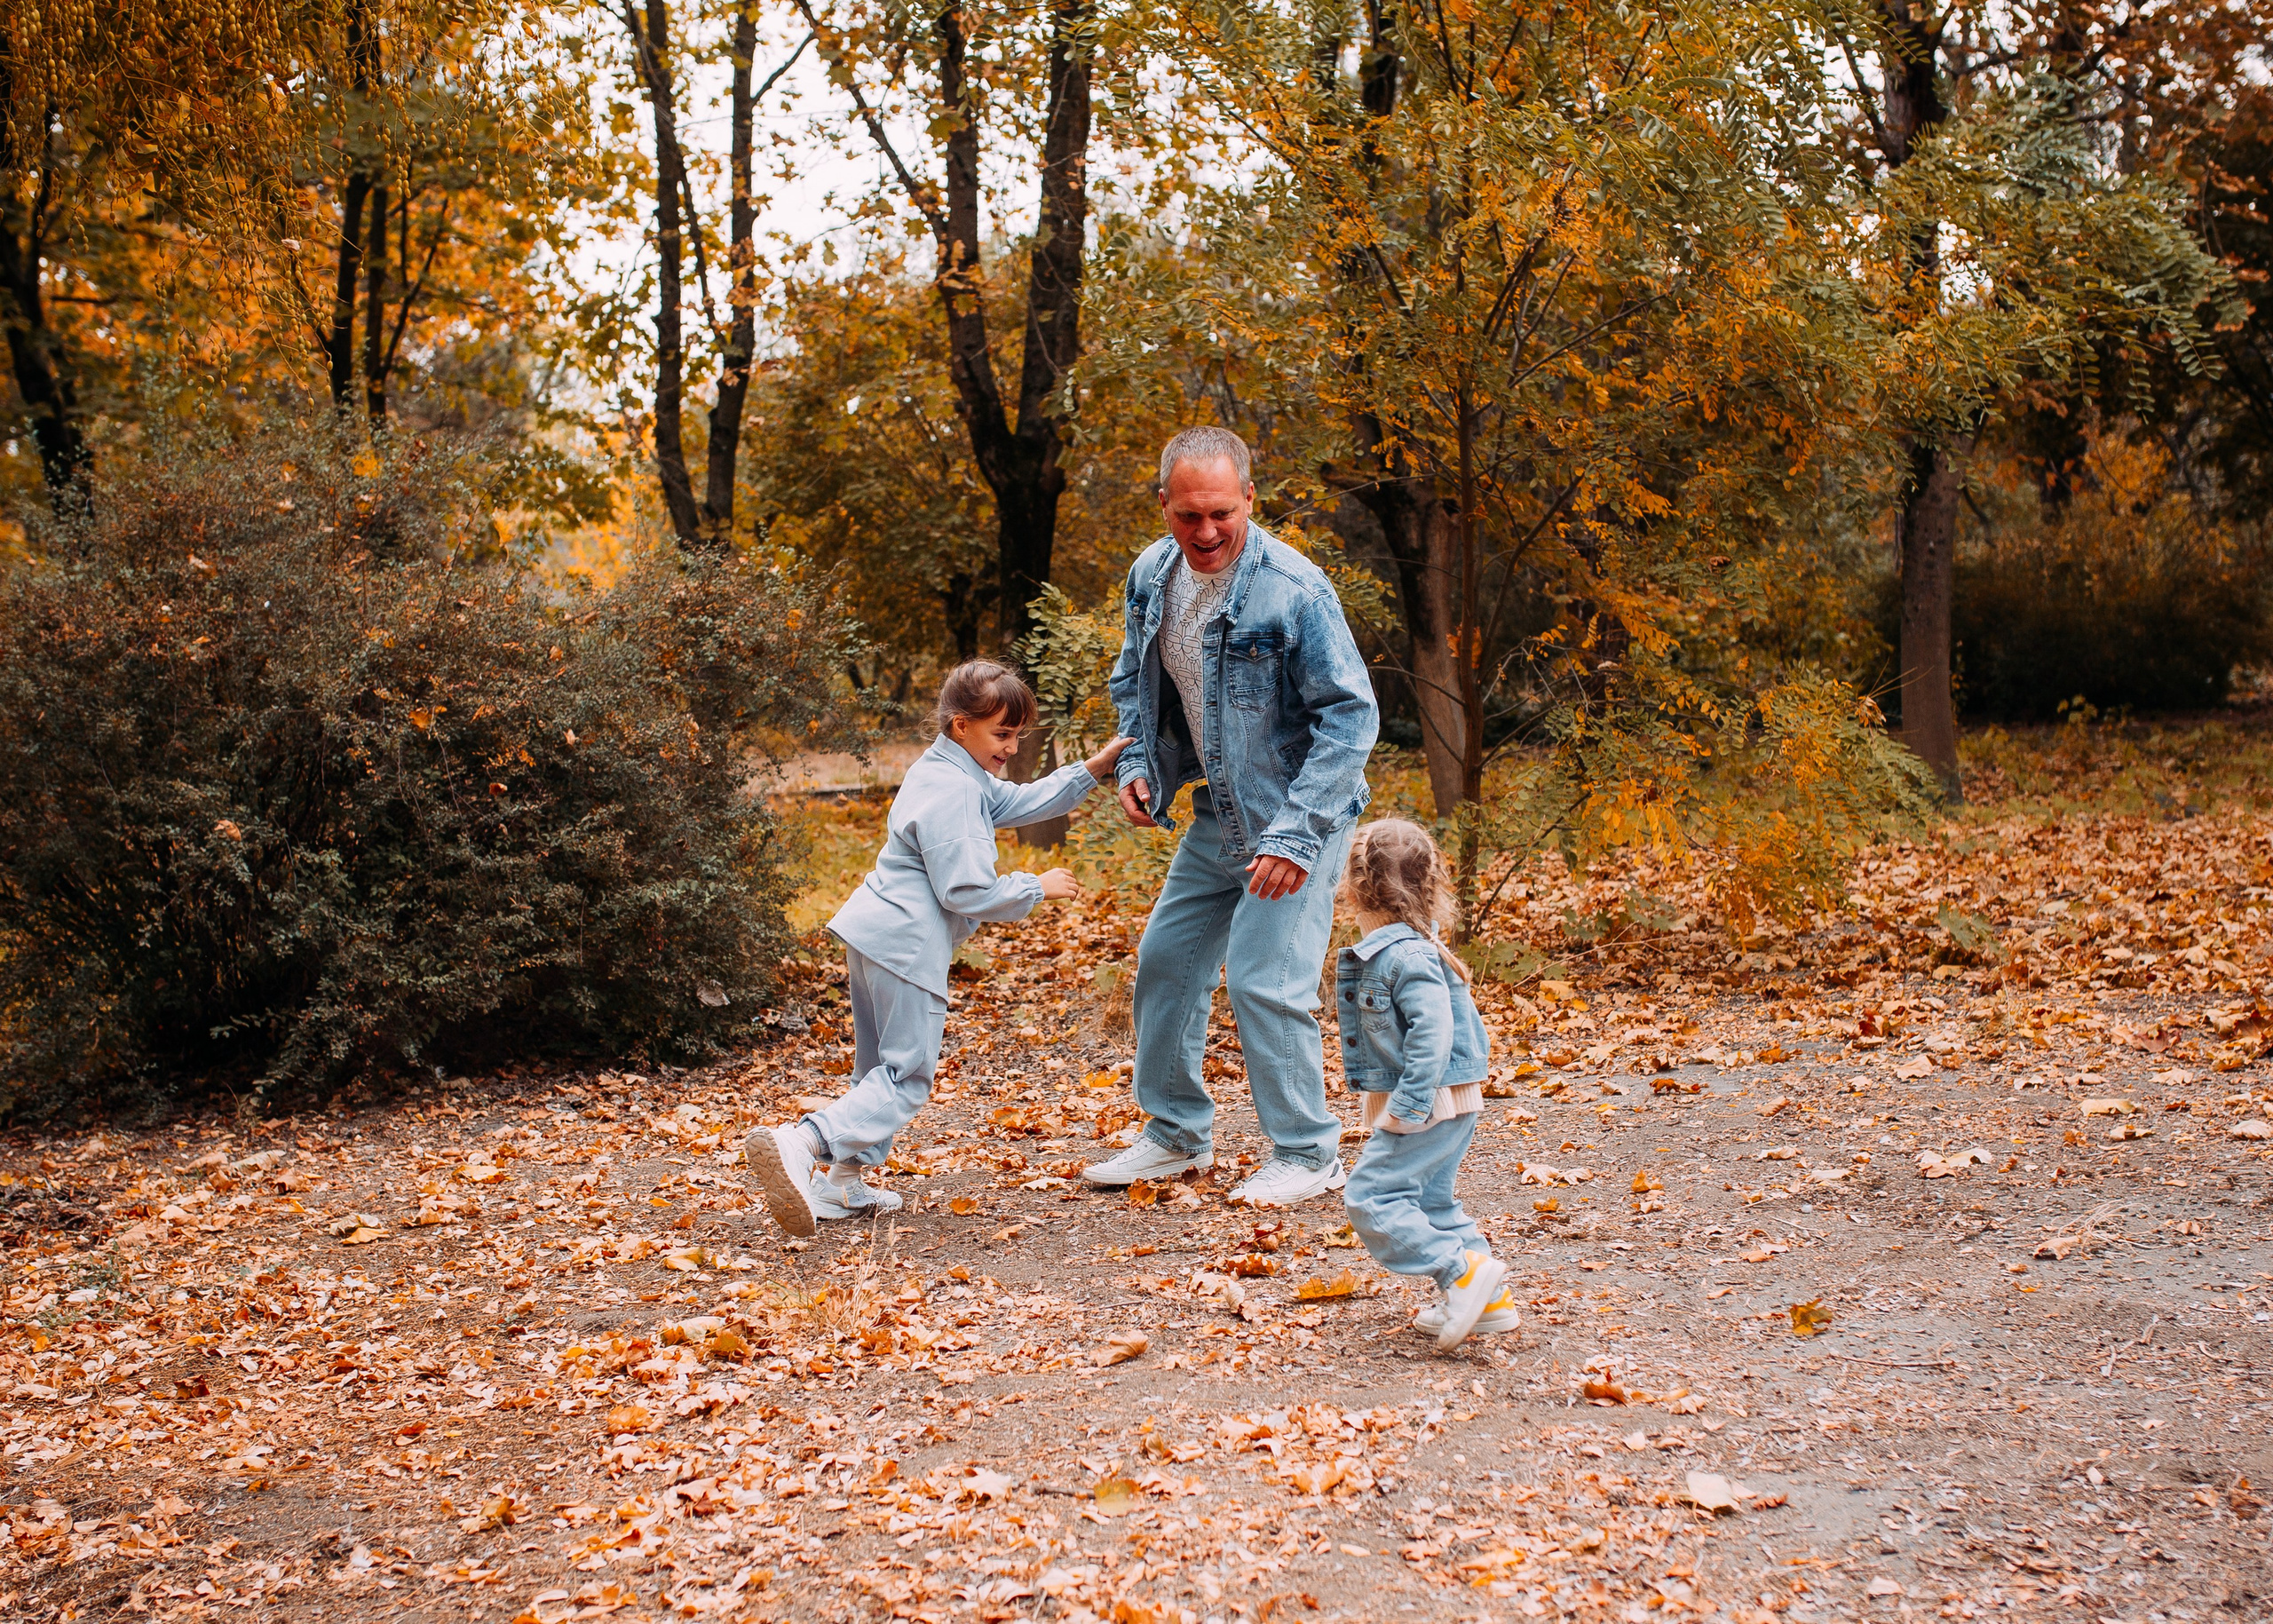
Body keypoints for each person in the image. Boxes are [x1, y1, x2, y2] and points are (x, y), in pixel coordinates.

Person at [1081, 426, 1380, 1208]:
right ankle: (1175, 1136)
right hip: (1220, 810)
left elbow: (1351, 719)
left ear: (1250, 498)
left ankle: (1309, 1153)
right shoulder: (1153, 575)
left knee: (1264, 978)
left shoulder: (1296, 590)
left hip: (1299, 816)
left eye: (1221, 512)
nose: (1206, 532)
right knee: (1166, 961)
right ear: (1164, 507)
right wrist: (1143, 764)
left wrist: (1296, 835)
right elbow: (1131, 679)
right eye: (1188, 516)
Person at [746, 661, 1129, 1237]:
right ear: (959, 725)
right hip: (906, 939)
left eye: (1018, 734)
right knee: (906, 1076)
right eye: (1002, 733)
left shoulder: (949, 771)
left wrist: (1092, 771)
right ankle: (803, 1142)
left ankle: (843, 1180)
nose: (1011, 746)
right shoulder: (955, 790)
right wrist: (1035, 885)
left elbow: (1019, 801)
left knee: (877, 1068)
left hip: (875, 930)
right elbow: (967, 889)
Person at [1334, 818, 1516, 1351]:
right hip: (1448, 1095)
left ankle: (1459, 1273)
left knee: (1371, 1196)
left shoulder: (1402, 954)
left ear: (1354, 886)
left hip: (1428, 1099)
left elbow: (1432, 1033)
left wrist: (1410, 1106)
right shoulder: (1412, 944)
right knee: (1433, 1203)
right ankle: (1490, 1303)